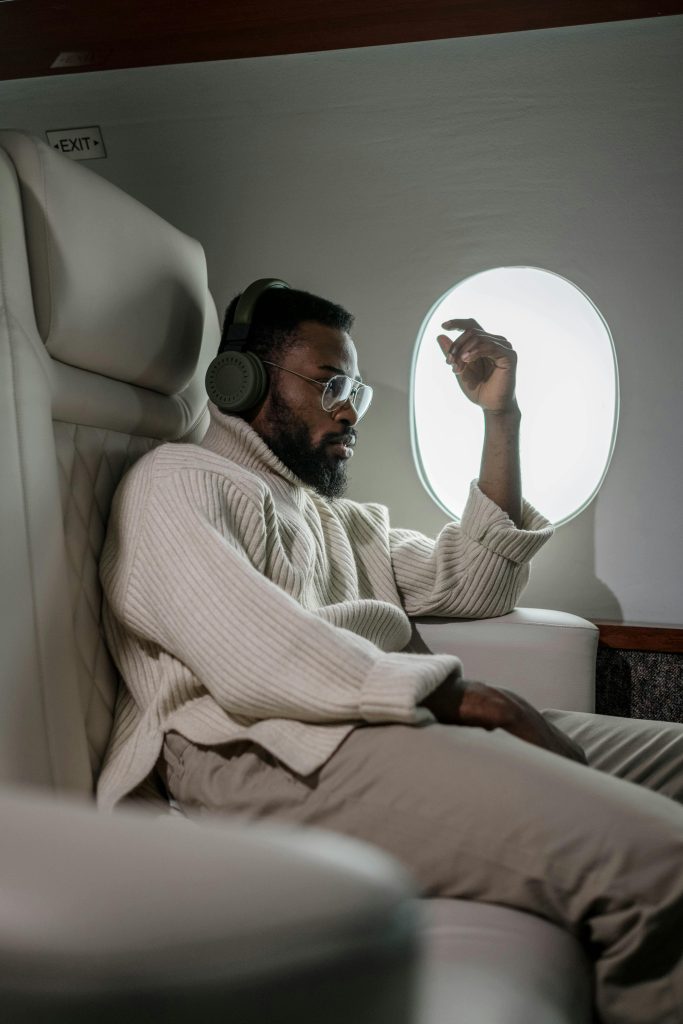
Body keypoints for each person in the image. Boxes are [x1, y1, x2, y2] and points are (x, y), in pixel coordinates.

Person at [98, 284, 683, 1024]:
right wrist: (470, 698)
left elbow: (479, 582)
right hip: (249, 751)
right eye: (328, 385)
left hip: (370, 721)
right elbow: (251, 652)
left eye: (357, 391)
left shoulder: (334, 521)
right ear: (239, 382)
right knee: (660, 861)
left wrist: (498, 417)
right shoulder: (178, 484)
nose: (348, 410)